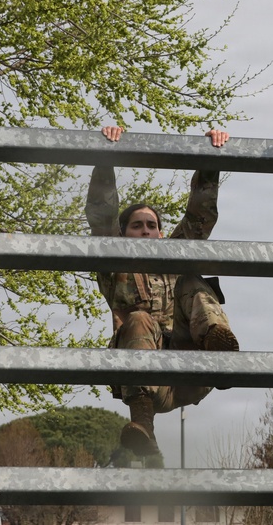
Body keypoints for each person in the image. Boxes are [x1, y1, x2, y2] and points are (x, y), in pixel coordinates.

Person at [86, 126, 239, 467]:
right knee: (139, 318)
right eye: (136, 225)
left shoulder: (174, 256)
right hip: (147, 381)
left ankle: (220, 353)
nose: (145, 231)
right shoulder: (114, 262)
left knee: (191, 279)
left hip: (189, 370)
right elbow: (101, 214)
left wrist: (210, 160)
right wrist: (105, 156)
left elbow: (200, 218)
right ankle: (144, 428)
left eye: (151, 225)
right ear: (123, 233)